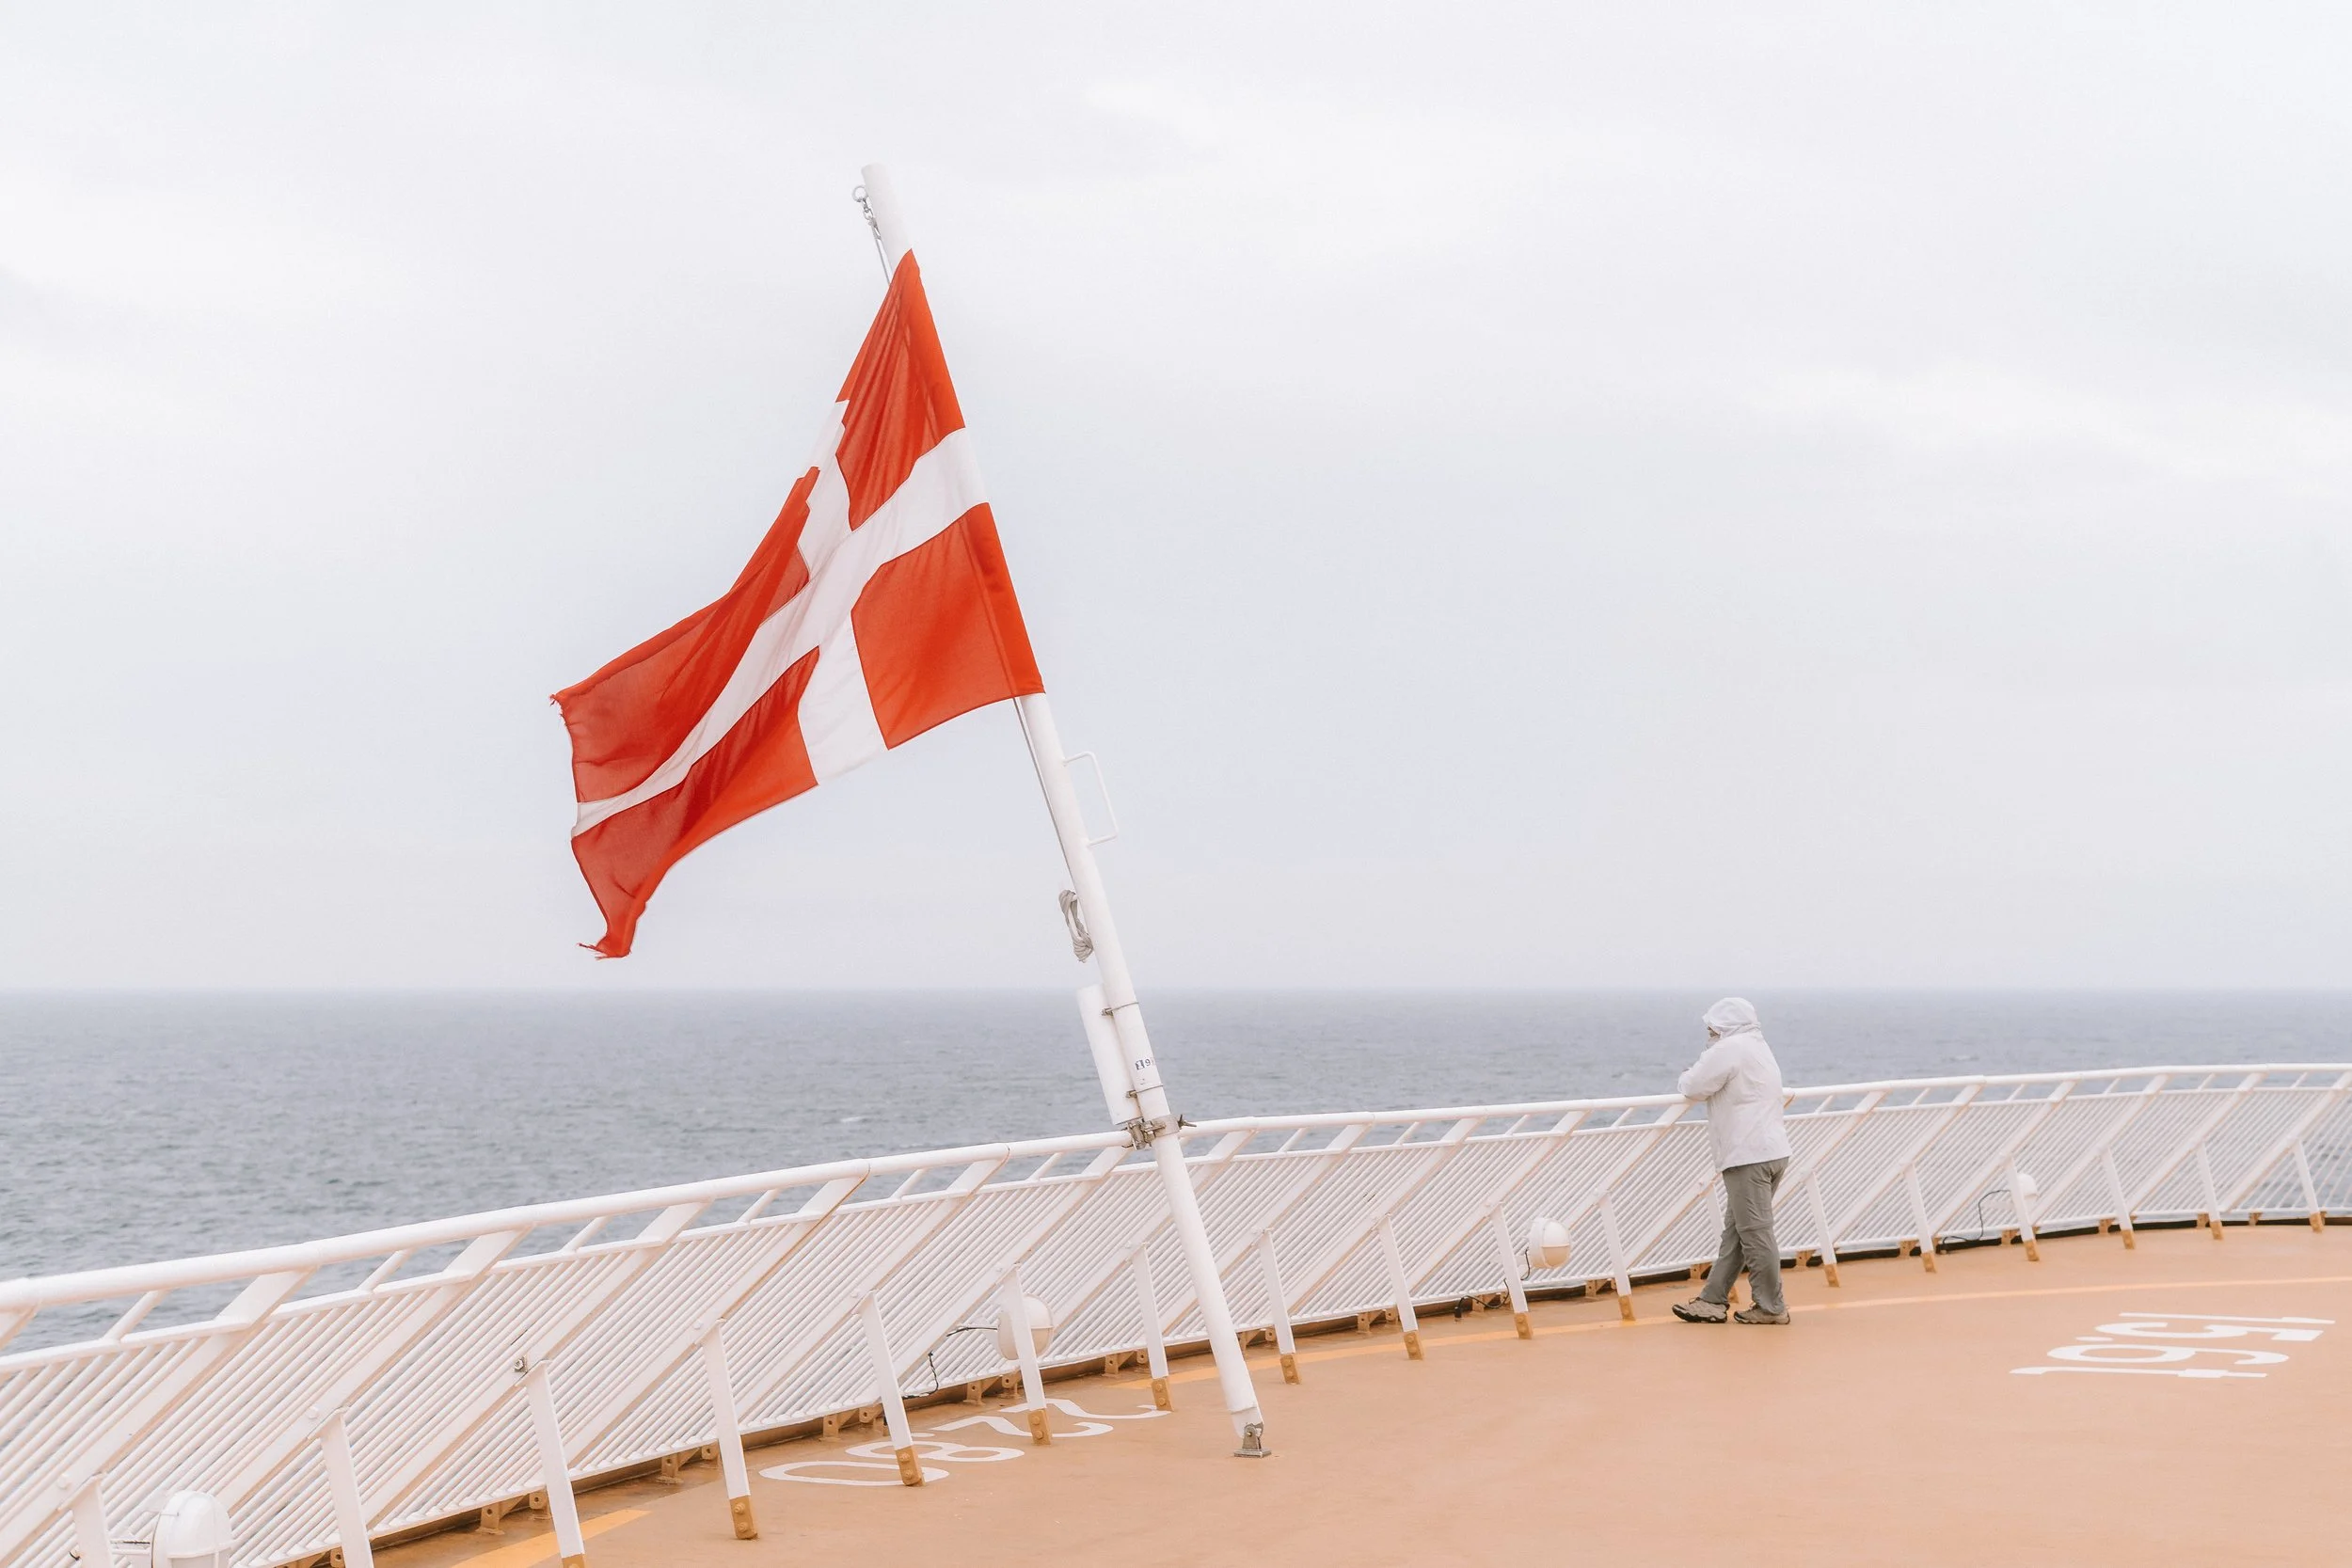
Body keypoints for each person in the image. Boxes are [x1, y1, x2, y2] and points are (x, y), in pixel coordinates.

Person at [1672, 997, 1795, 1325]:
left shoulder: (1729, 1048)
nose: (1710, 1034)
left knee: (1755, 1233)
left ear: (1724, 1027)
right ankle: (1712, 1300)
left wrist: (1689, 1071)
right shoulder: (1758, 1046)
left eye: (1713, 1028)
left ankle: (1771, 1307)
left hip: (1748, 1156)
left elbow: (1692, 1086)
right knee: (1738, 1233)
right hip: (1772, 1151)